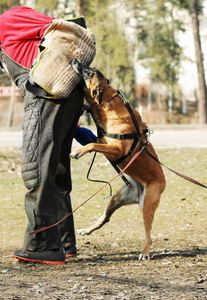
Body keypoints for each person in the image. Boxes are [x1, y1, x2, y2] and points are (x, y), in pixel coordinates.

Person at [0, 7, 93, 265]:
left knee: (37, 172)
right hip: (58, 101)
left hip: (47, 97)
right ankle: (64, 243)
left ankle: (45, 245)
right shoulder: (7, 44)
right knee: (55, 172)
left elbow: (69, 29)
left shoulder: (7, 20)